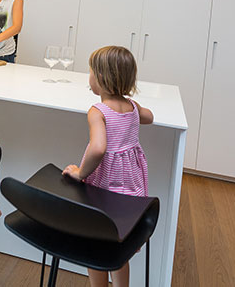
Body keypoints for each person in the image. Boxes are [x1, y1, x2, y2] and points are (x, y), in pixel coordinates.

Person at [63, 45, 154, 287]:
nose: (89, 77)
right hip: (130, 190)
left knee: (96, 243)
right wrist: (135, 113)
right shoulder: (132, 107)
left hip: (106, 190)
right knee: (119, 248)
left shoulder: (98, 111)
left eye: (91, 72)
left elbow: (98, 148)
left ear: (101, 78)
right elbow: (150, 117)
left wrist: (80, 173)